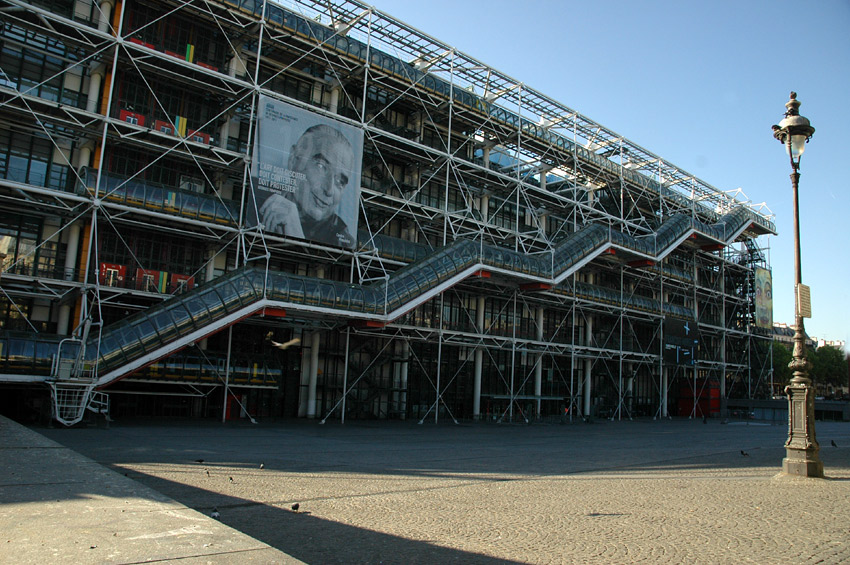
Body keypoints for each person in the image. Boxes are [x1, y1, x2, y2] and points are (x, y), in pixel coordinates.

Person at [259, 124, 356, 248]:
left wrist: (297, 238)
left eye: (340, 181)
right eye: (321, 166)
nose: (329, 190)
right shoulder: (255, 198)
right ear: (293, 159)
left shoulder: (344, 243)